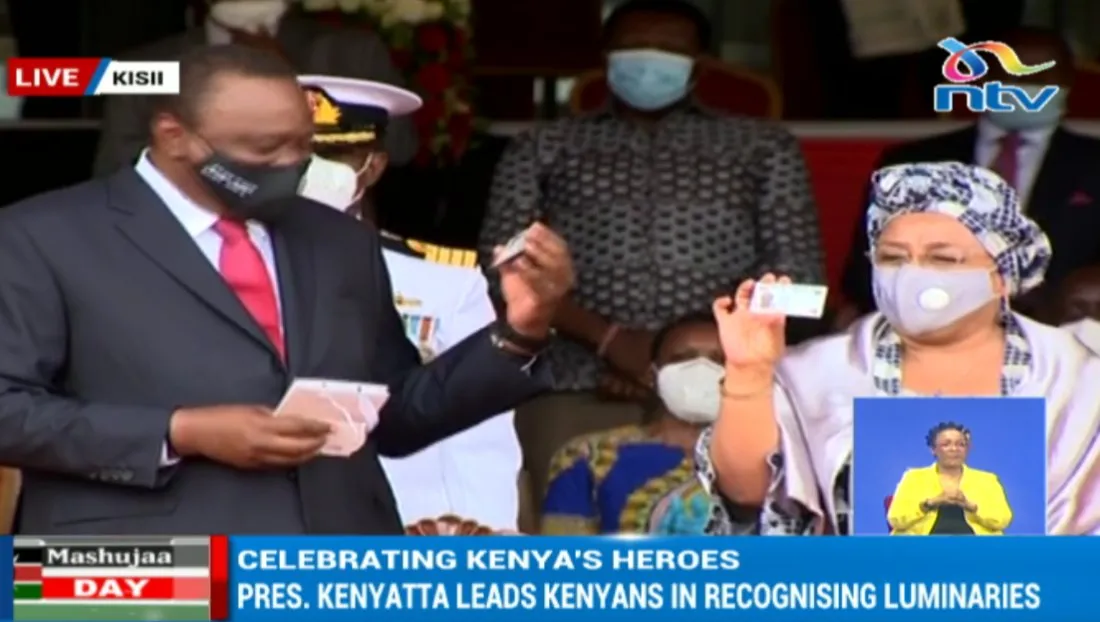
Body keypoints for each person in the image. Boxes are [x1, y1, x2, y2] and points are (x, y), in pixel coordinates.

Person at [0, 44, 573, 535]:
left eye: (304, 146)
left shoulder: (338, 240)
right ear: (175, 136)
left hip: (334, 563)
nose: (293, 165)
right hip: (139, 573)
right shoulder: (42, 236)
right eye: (263, 151)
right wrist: (180, 432)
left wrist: (518, 332)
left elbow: (392, 414)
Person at [479, 0, 825, 499]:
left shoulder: (762, 147)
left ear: (701, 64)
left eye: (669, 50)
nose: (650, 59)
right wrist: (607, 341)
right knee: (568, 532)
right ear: (604, 57)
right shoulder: (543, 145)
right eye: (634, 48)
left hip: (725, 384)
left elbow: (800, 285)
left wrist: (683, 358)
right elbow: (503, 268)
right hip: (576, 381)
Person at [698, 161, 1100, 536]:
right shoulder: (816, 372)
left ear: (1001, 277)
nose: (912, 273)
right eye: (893, 257)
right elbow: (747, 495)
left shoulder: (1077, 379)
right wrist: (748, 371)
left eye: (942, 258)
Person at [296, 75, 522, 532]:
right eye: (298, 154)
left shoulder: (444, 281)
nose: (310, 170)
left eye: (334, 156)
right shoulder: (216, 260)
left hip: (408, 520)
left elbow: (477, 428)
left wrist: (481, 532)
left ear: (374, 166)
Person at [836, 27, 1100, 326]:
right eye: (1011, 74)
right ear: (982, 82)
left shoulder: (1094, 163)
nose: (1024, 86)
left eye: (1040, 77)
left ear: (1068, 83)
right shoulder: (912, 162)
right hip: (929, 326)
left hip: (1066, 333)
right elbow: (864, 267)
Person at [93, 0, 416, 175]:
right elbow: (113, 170)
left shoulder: (352, 52)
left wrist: (292, 82)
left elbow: (401, 149)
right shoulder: (144, 66)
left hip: (326, 245)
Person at [541, 313, 720, 535]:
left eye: (720, 360)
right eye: (682, 358)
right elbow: (565, 557)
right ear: (651, 375)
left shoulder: (770, 462)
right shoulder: (588, 456)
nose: (701, 370)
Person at [887, 422, 1012, 535]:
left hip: (977, 549)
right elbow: (896, 519)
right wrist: (930, 503)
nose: (954, 449)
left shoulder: (987, 480)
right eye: (946, 444)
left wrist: (970, 506)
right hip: (922, 549)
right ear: (933, 449)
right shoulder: (914, 478)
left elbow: (1002, 520)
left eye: (961, 445)